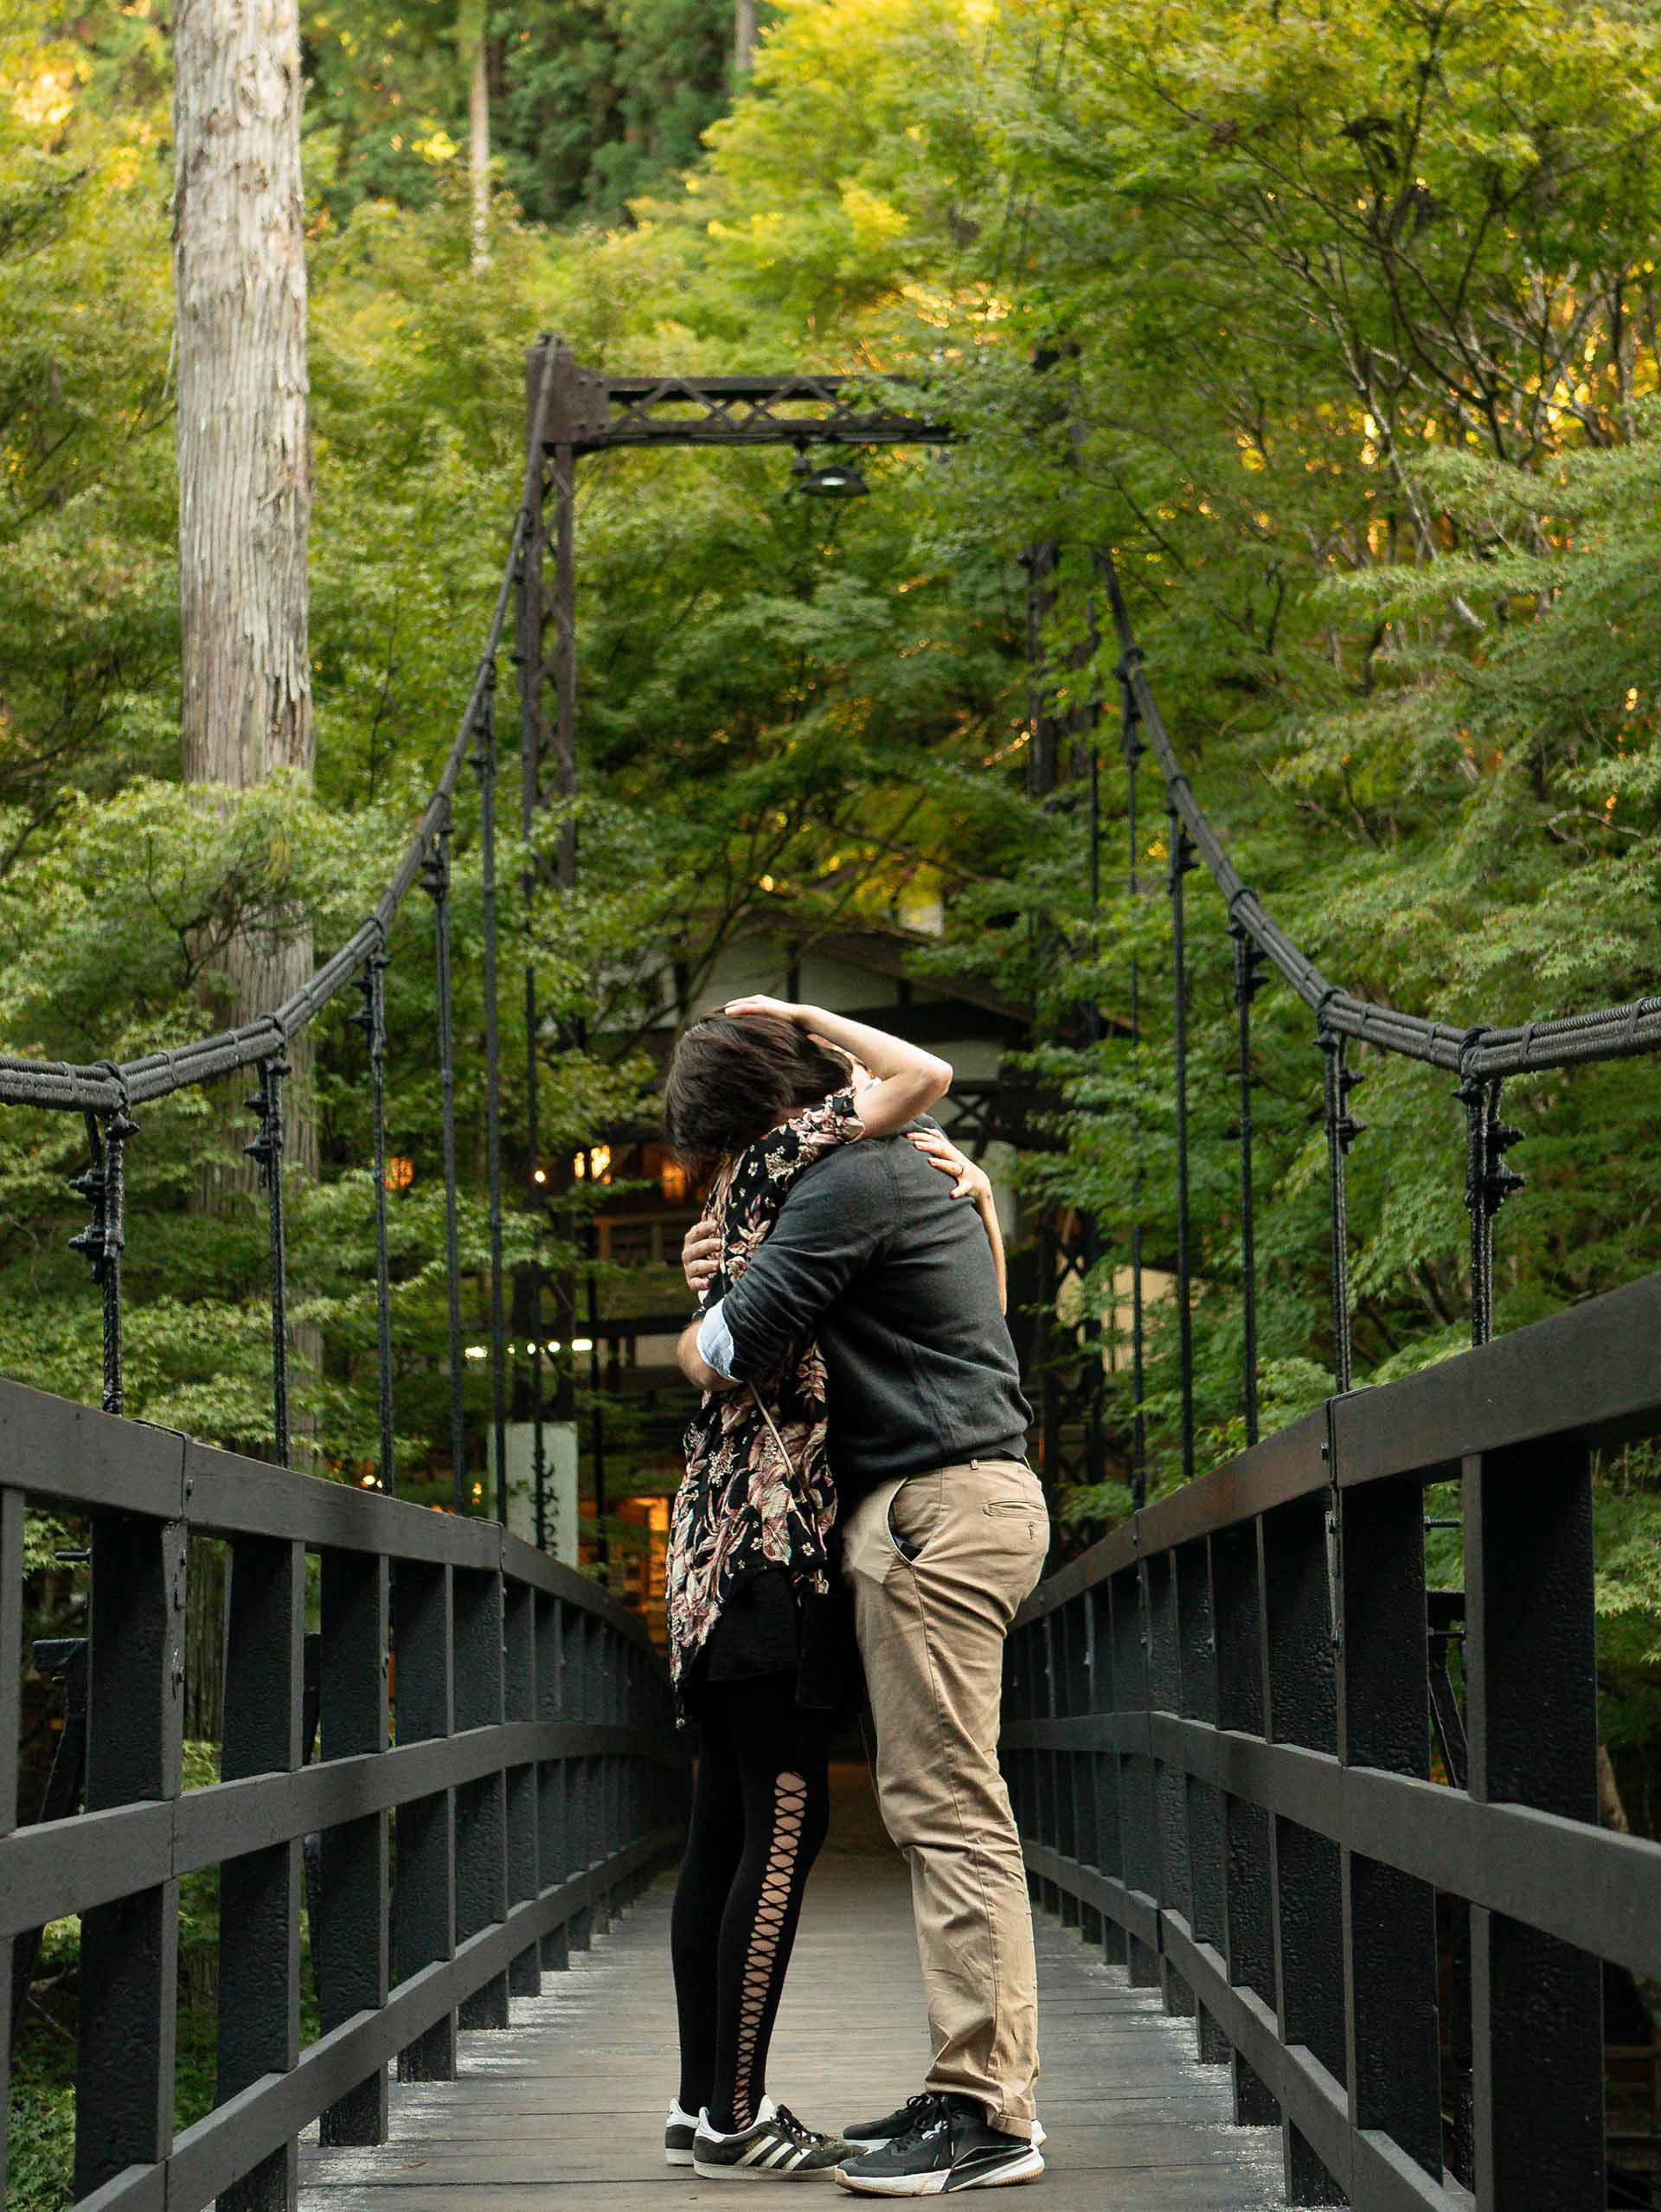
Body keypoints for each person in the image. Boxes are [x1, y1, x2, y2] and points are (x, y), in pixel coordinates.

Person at [678, 995, 1049, 2199]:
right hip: (960, 1502)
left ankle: (989, 2109)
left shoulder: (841, 1177)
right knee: (941, 1802)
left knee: (948, 1811)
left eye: (726, 1152)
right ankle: (966, 2087)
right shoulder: (906, 1179)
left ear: (761, 1119)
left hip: (939, 1512)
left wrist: (702, 1326)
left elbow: (738, 1350)